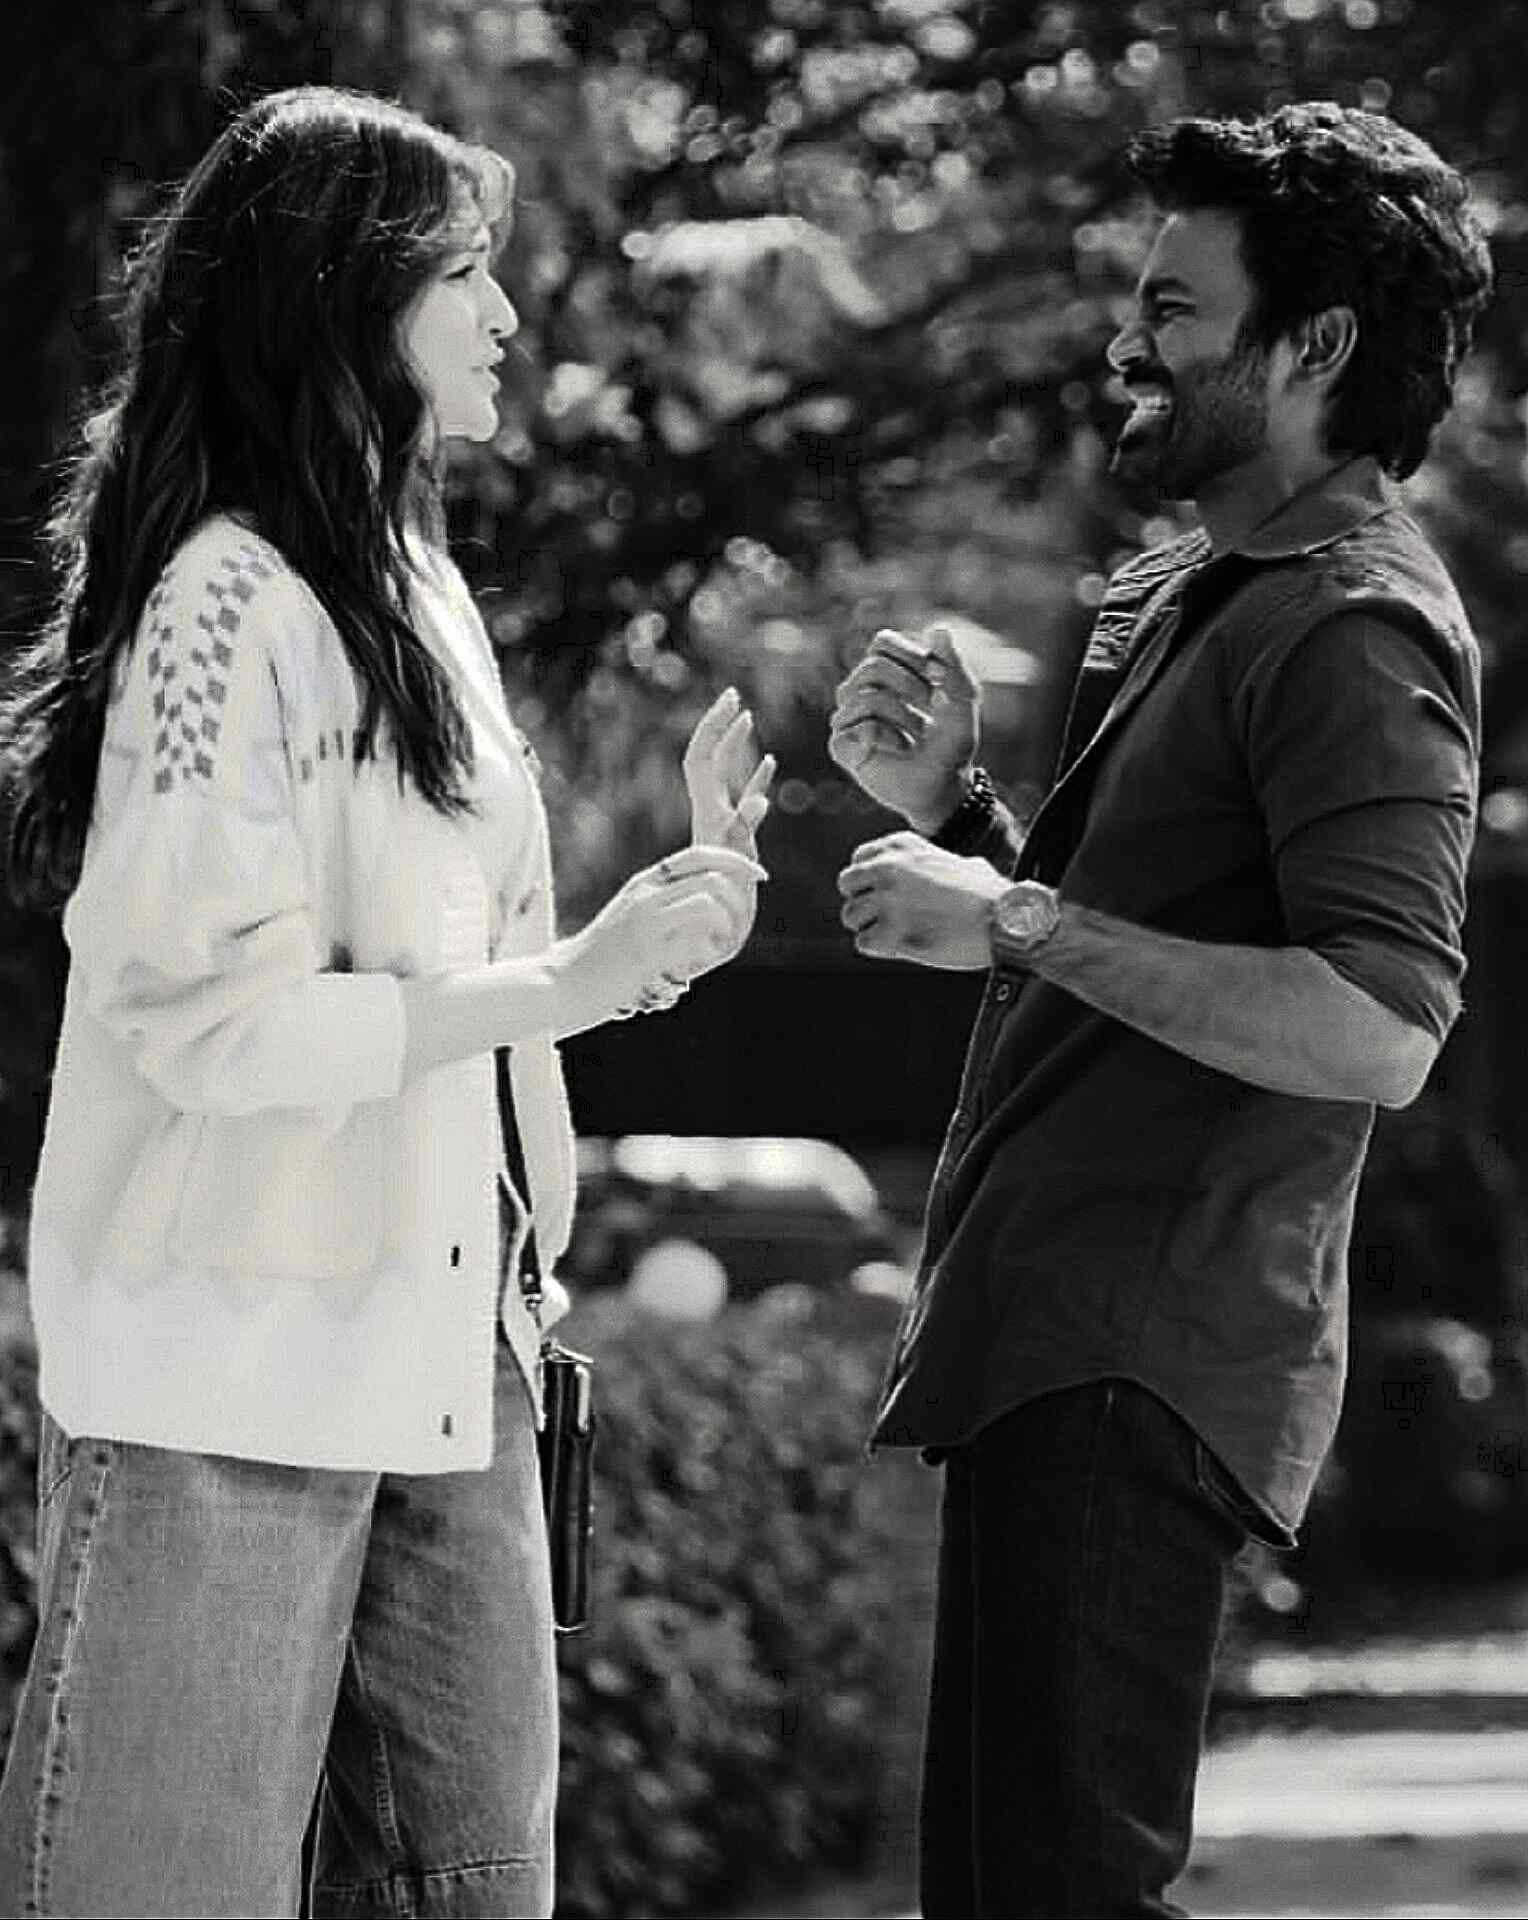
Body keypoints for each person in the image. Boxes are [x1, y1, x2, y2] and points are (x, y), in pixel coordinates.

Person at [0, 85, 772, 1919]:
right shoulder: (222, 604)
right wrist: (565, 978)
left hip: (458, 1364)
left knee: (469, 1891)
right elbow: (212, 1021)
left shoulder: (417, 587)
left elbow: (464, 987)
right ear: (342, 301)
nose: (507, 315)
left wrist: (646, 942)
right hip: (228, 1384)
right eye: (465, 274)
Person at [829, 103, 1492, 1917]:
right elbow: (1118, 942)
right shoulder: (1196, 590)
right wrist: (971, 823)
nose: (1127, 342)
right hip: (1053, 1335)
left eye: (1177, 308)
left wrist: (1013, 915)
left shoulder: (1355, 628)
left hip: (1145, 1352)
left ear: (1316, 348)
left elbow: (1379, 1026)